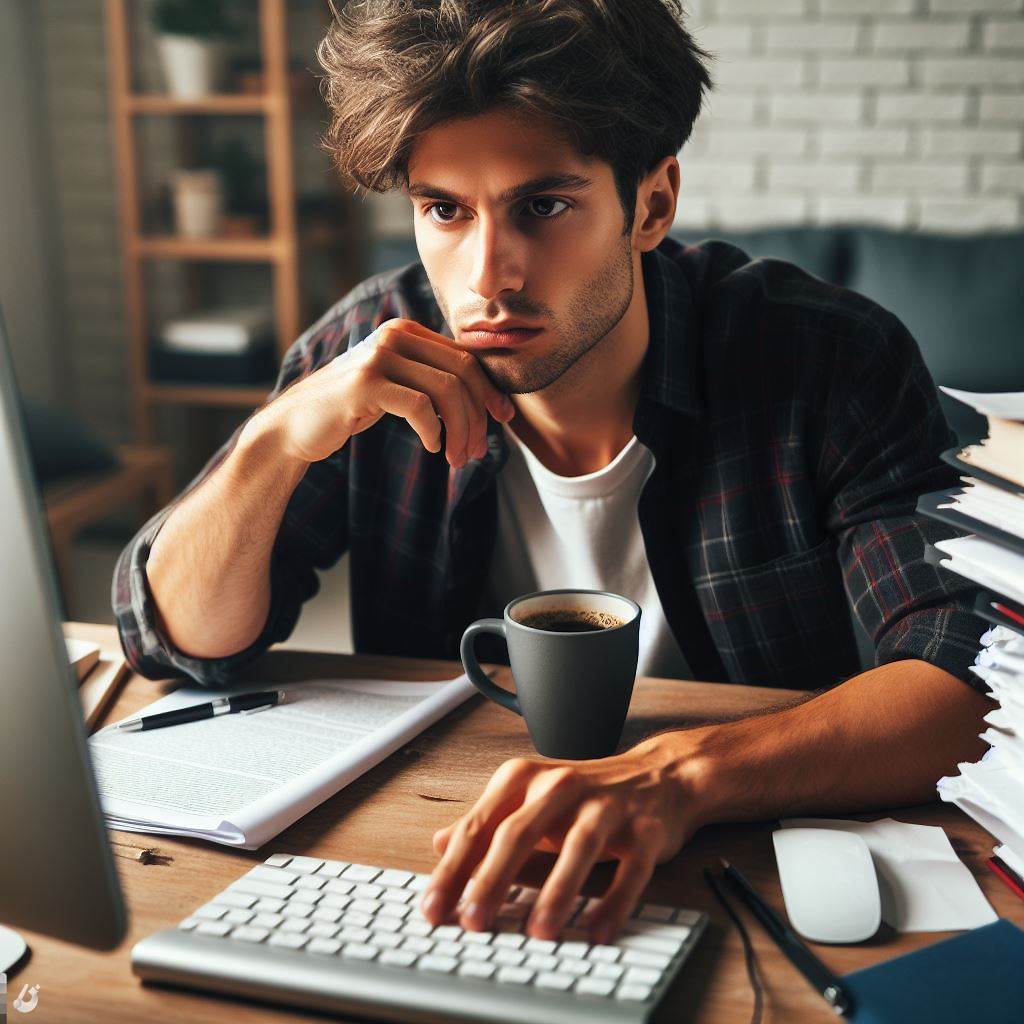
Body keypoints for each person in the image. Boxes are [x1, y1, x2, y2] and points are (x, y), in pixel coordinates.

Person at [114, 0, 991, 946]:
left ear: (651, 205)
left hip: (754, 875)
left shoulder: (826, 359)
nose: (489, 274)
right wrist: (273, 442)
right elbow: (179, 643)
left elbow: (971, 680)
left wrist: (681, 778)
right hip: (436, 861)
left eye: (544, 205)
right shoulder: (367, 356)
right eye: (443, 209)